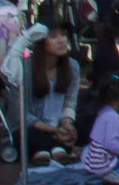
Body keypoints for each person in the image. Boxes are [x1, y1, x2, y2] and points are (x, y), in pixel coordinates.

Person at [24, 26, 81, 158]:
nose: (61, 40)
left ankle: (53, 147)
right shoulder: (26, 67)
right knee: (28, 135)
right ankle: (55, 146)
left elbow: (70, 102)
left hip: (59, 124)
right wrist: (54, 130)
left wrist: (67, 124)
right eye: (53, 36)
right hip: (35, 127)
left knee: (88, 123)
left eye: (63, 35)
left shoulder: (73, 66)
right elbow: (23, 114)